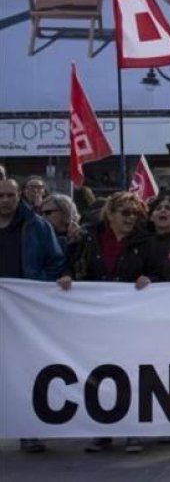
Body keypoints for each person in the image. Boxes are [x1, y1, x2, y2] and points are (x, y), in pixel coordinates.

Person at [58, 192, 153, 454]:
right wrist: (67, 276)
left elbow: (156, 271)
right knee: (99, 372)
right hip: (97, 319)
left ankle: (133, 431)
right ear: (110, 213)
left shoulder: (144, 241)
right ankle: (103, 431)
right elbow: (72, 265)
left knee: (131, 373)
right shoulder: (90, 239)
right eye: (125, 212)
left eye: (134, 213)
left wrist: (149, 278)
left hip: (131, 319)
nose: (130, 218)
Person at [0, 178, 65, 454]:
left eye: (10, 195)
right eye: (0, 195)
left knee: (26, 370)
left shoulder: (37, 227)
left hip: (23, 312)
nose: (5, 200)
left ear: (20, 196)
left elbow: (57, 261)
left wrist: (35, 287)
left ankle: (29, 430)